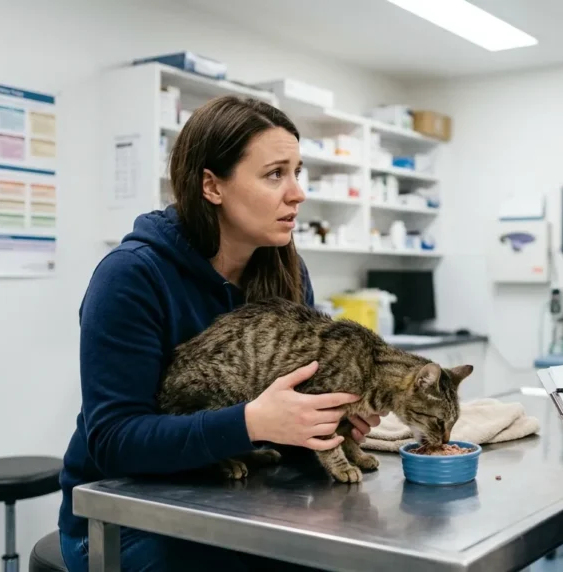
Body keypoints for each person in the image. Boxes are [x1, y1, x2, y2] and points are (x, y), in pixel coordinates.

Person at [57, 95, 380, 571]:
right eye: (275, 174)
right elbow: (114, 441)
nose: (297, 193)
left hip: (238, 498)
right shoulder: (130, 277)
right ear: (212, 186)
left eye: (298, 172)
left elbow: (285, 411)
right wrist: (251, 423)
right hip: (121, 523)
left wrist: (325, 416)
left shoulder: (287, 271)